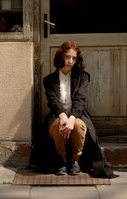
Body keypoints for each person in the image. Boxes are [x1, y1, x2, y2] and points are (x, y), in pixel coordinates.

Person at [39, 41, 116, 178]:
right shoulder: (49, 80)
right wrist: (63, 117)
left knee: (78, 126)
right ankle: (62, 160)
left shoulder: (83, 77)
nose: (70, 61)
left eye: (74, 58)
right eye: (68, 57)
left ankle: (75, 160)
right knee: (58, 125)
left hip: (77, 116)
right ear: (61, 57)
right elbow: (53, 101)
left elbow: (80, 100)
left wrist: (71, 119)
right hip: (57, 117)